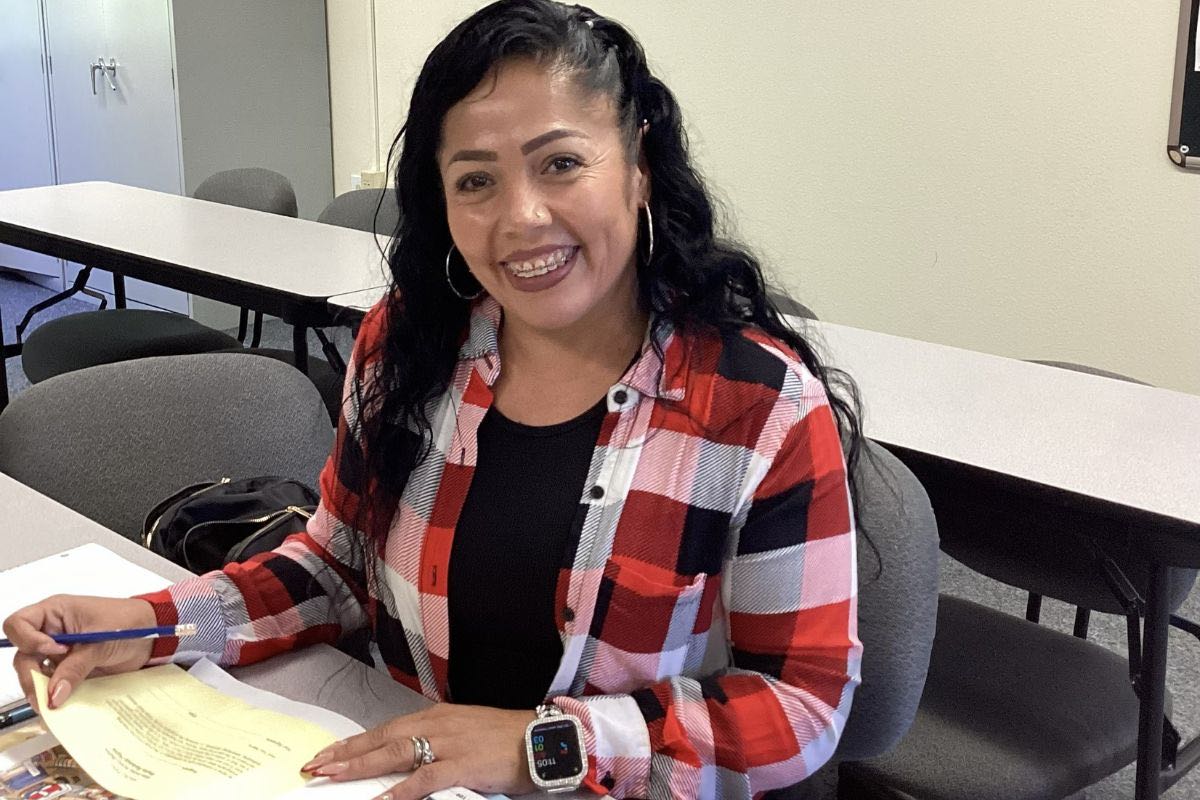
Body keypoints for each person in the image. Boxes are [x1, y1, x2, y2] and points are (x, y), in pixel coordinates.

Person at [4, 2, 864, 797]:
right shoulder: (412, 344)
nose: (521, 217)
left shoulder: (756, 404)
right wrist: (148, 625)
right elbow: (333, 568)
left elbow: (801, 703)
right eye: (476, 181)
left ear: (639, 167)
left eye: (561, 163)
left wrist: (539, 747)